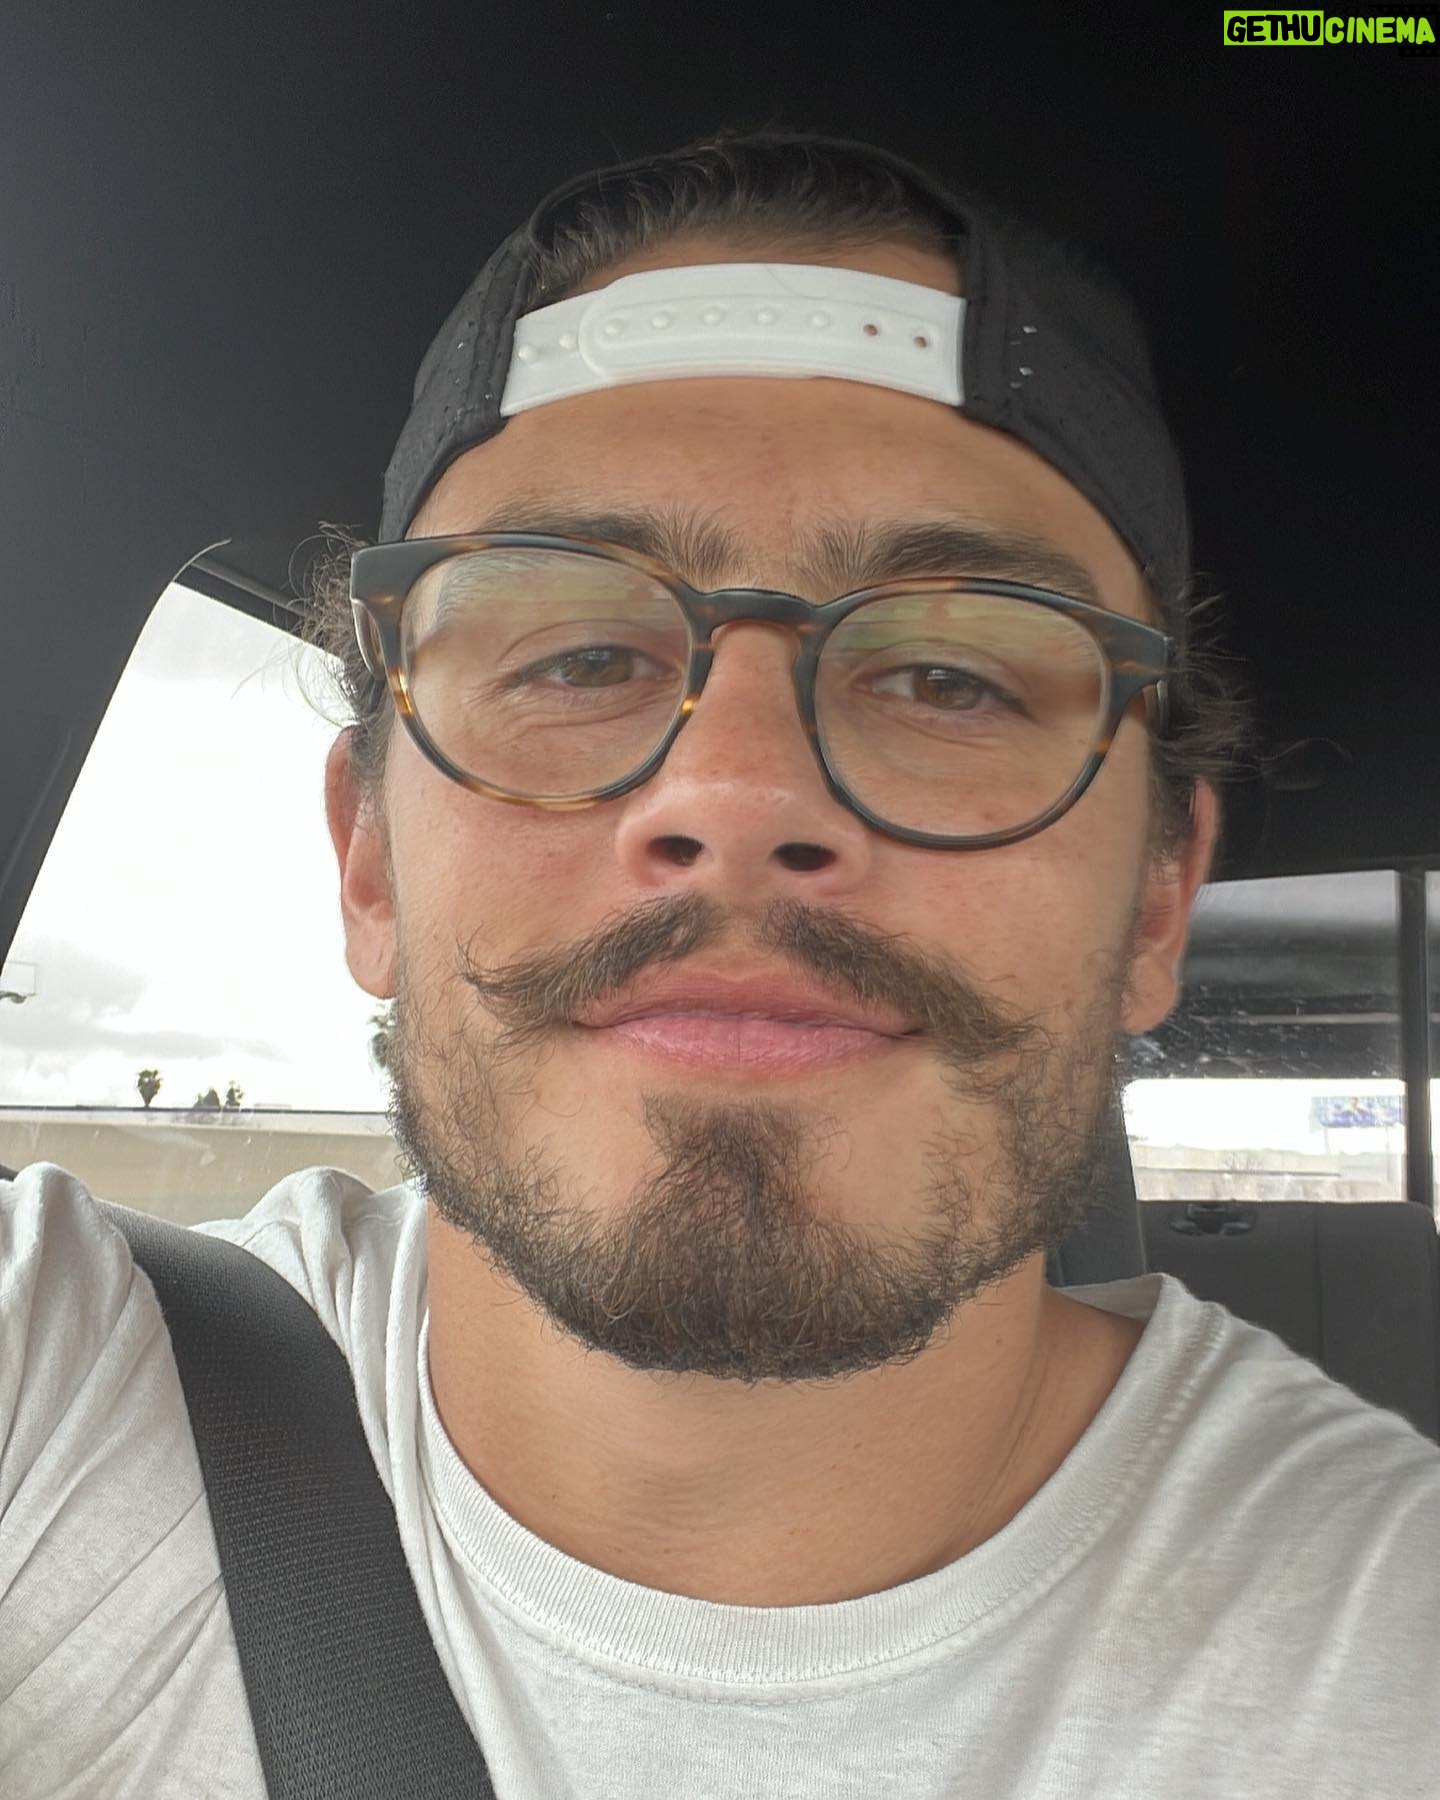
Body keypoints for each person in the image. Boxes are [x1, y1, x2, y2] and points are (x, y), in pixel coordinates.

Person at [2, 128, 1436, 1799]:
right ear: (370, 859)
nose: (740, 797)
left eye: (954, 678)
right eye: (577, 656)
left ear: (1155, 908)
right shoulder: (53, 1385)